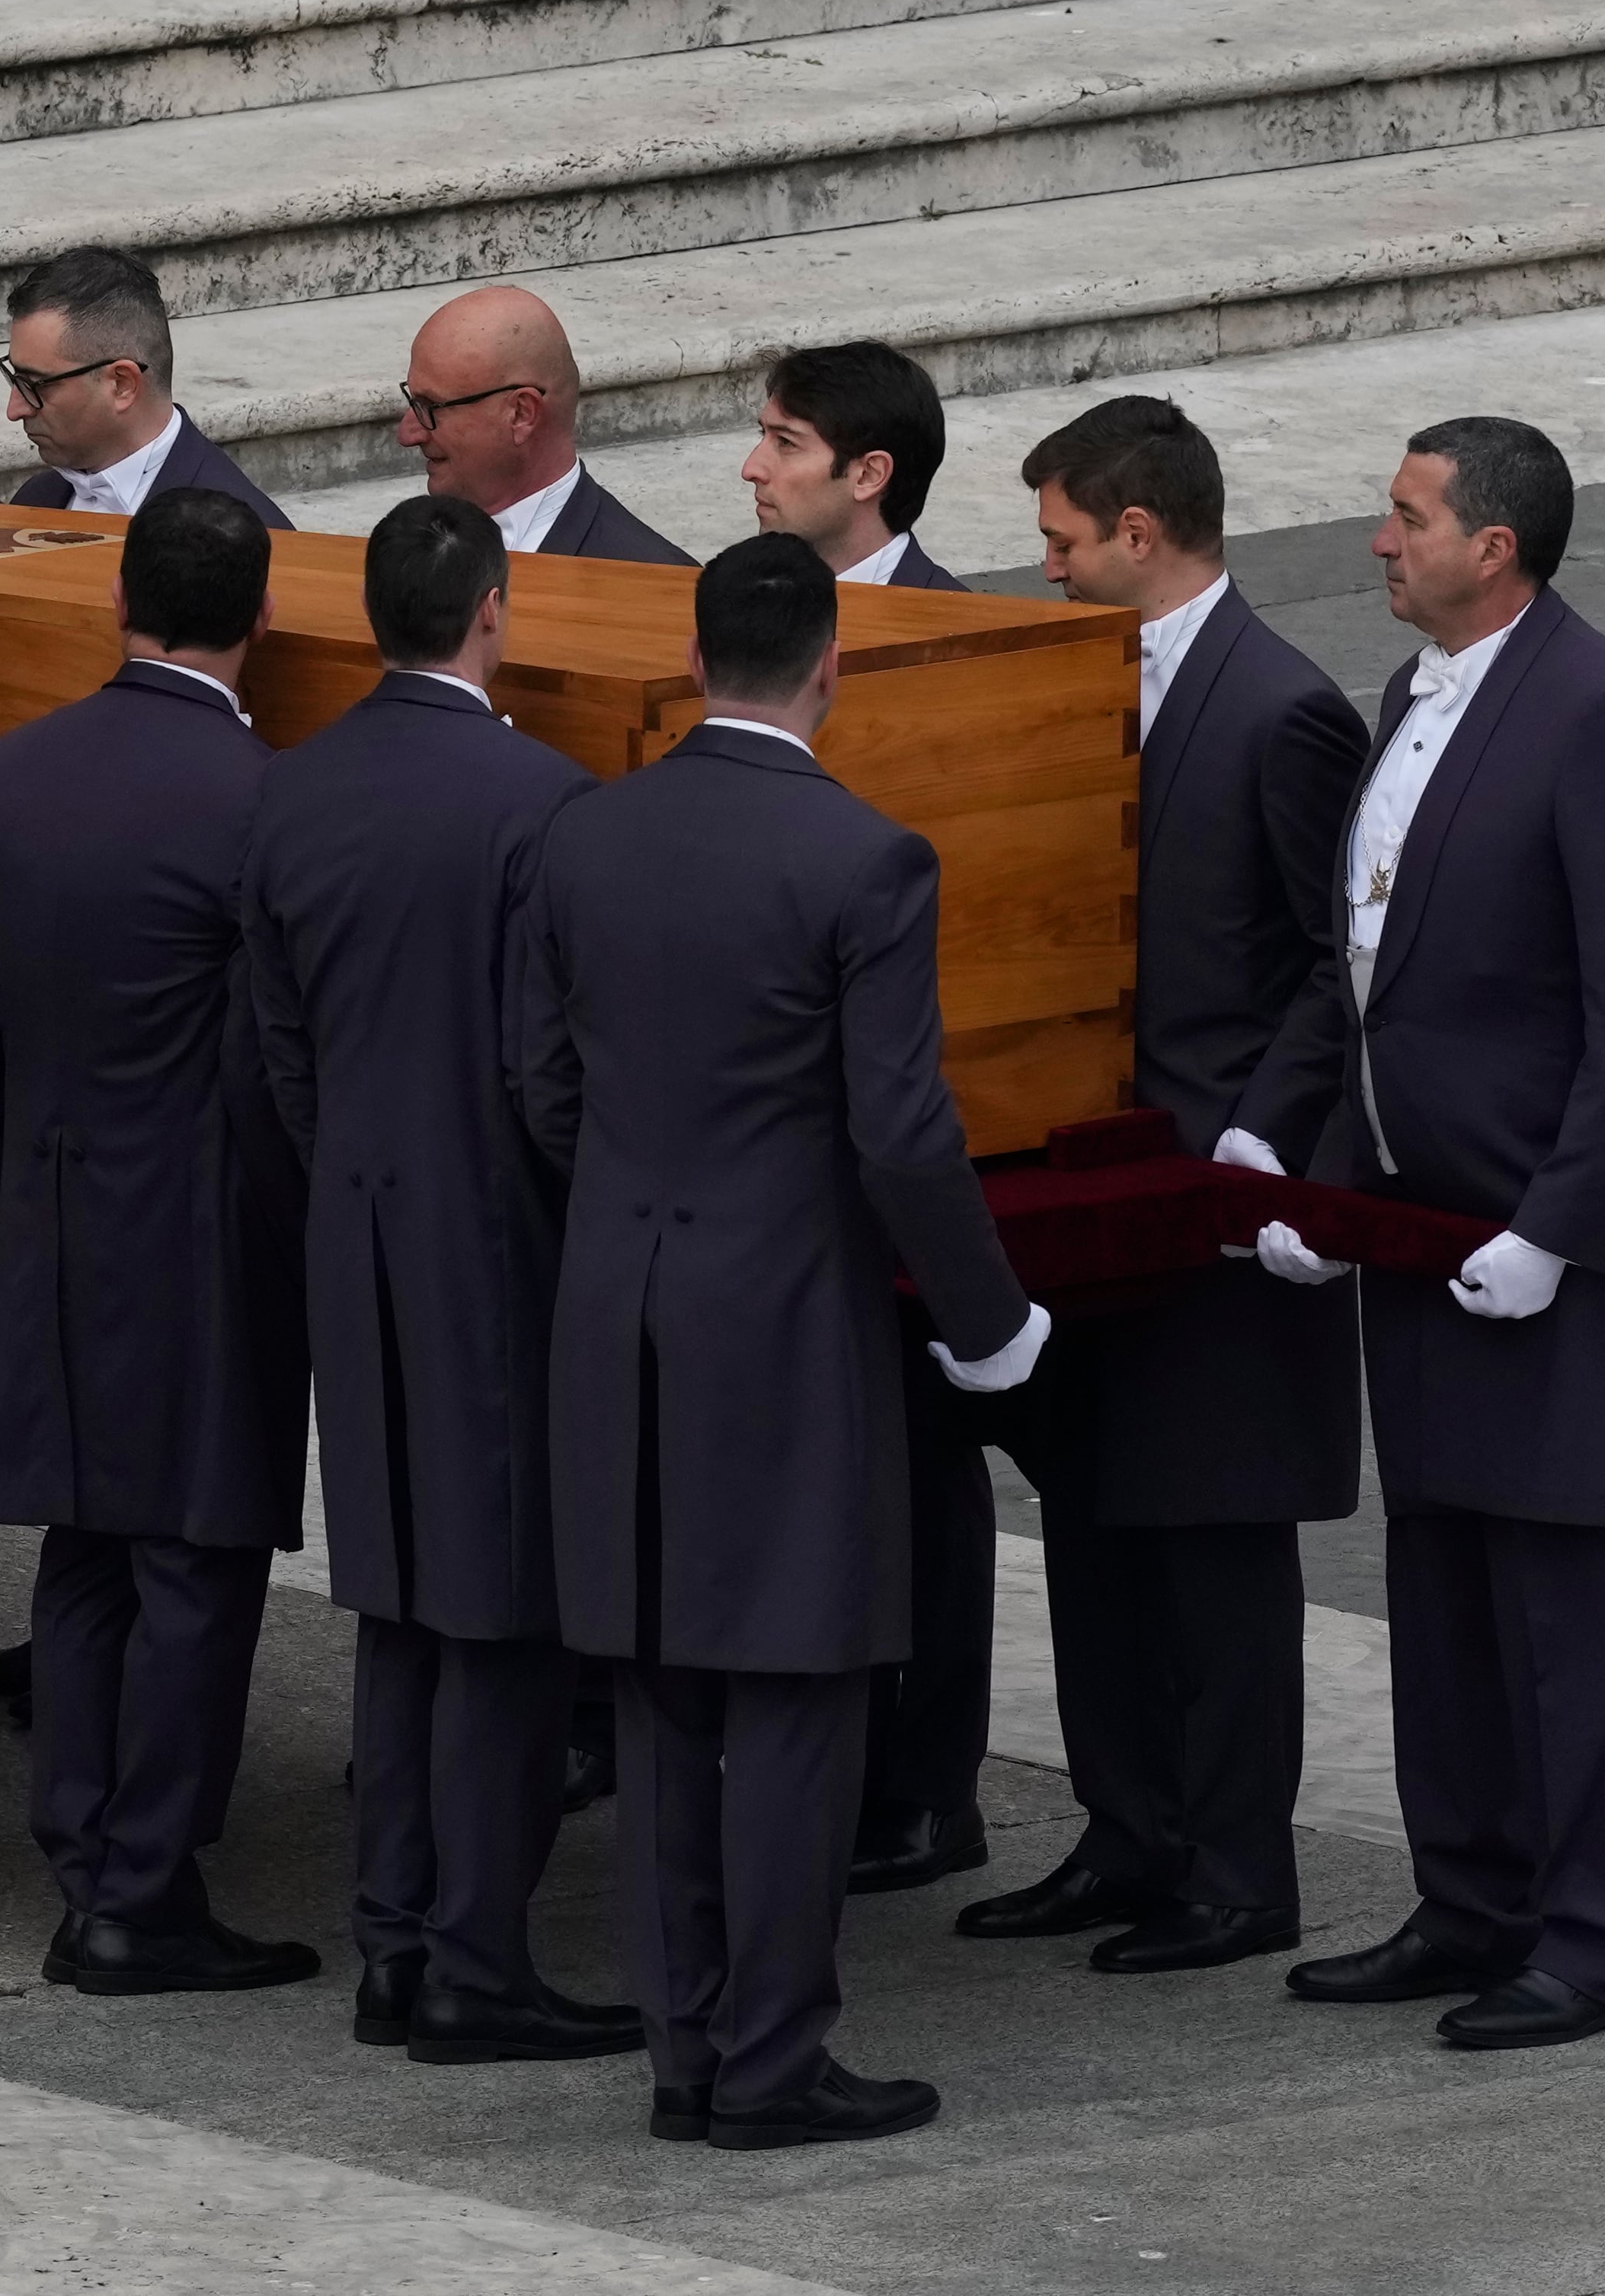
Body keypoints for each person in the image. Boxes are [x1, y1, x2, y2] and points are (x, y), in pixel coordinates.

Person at [523, 532, 1046, 2151]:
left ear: (696, 658)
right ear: (829, 662)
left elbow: (540, 1084)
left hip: (619, 1304)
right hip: (784, 1319)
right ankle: (772, 2055)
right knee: (801, 1690)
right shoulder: (862, 859)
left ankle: (687, 2051)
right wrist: (990, 1318)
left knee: (660, 1690)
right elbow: (901, 1131)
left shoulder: (581, 836)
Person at [1259, 417, 1605, 2050]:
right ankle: (1469, 1896)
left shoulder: (1598, 709)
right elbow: (1370, 970)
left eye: (1403, 517)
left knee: (1563, 1600)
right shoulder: (1411, 694)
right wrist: (1318, 1176)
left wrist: (1554, 1227)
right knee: (1439, 1578)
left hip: (1533, 1244)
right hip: (1414, 1227)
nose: (1378, 540)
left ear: (1489, 546)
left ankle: (1590, 1938)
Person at [953, 398, 1368, 1972]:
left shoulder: (1279, 711)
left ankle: (1235, 1866)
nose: (1045, 568)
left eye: (1061, 540)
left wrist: (1265, 1142)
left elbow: (1332, 969)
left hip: (1217, 1201)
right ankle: (1125, 1833)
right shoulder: (1079, 681)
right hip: (1096, 1193)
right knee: (1100, 1520)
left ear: (1137, 532)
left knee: (1215, 1544)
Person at [242, 494, 627, 2064]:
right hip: (494, 1241)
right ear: (490, 612)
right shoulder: (540, 797)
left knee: (395, 1600)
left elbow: (280, 1044)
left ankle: (397, 1934)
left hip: (359, 1224)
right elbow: (549, 1070)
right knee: (504, 1615)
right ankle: (471, 1950)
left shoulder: (291, 787)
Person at [0, 487, 315, 1997]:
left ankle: (83, 1844)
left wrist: (23, 1149)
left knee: (84, 1548)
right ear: (260, 625)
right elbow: (273, 1052)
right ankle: (143, 1884)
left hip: (55, 1203)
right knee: (194, 1558)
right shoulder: (261, 800)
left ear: (120, 605)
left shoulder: (13, 770)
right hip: (204, 1224)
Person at [741, 340, 994, 1891]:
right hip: (767, 1132)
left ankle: (926, 1775)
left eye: (778, 441)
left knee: (920, 1463)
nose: (752, 467)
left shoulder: (962, 644)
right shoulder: (740, 602)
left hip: (900, 1118)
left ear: (866, 473)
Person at [3, 247, 292, 531]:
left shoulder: (248, 541)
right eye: (15, 378)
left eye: (34, 385)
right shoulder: (37, 500)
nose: (14, 410)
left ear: (122, 385)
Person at [395, 286, 687, 564]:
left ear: (522, 414)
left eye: (430, 407)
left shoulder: (661, 587)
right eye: (414, 400)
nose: (407, 434)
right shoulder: (407, 551)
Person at [744, 341, 967, 592]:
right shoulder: (734, 597)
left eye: (786, 442)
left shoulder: (972, 628)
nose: (751, 469)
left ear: (869, 476)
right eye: (763, 434)